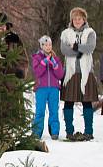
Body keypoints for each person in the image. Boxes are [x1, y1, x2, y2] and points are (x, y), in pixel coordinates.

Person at [60, 7, 97, 141]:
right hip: (71, 73)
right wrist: (81, 50)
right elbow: (65, 50)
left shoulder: (90, 32)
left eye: (79, 18)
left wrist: (75, 47)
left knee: (87, 102)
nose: (77, 20)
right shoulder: (65, 33)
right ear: (72, 20)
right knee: (68, 103)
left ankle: (89, 132)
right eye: (74, 18)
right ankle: (69, 131)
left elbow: (90, 47)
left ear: (84, 19)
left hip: (86, 72)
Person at [32, 35, 64, 140]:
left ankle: (54, 132)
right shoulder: (37, 58)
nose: (48, 47)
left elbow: (60, 75)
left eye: (49, 44)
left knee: (54, 110)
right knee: (40, 110)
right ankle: (37, 132)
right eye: (45, 45)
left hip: (54, 88)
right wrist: (43, 63)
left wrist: (55, 65)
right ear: (41, 46)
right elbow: (37, 73)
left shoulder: (56, 58)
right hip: (41, 88)